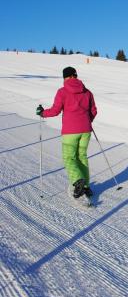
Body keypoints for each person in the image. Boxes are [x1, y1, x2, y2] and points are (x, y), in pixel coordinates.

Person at [36, 66, 97, 199]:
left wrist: (42, 113)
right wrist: (87, 121)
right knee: (82, 157)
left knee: (69, 158)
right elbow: (93, 111)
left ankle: (77, 181)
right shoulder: (87, 92)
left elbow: (55, 110)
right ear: (75, 76)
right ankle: (86, 186)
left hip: (70, 131)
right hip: (86, 130)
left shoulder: (62, 92)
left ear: (65, 77)